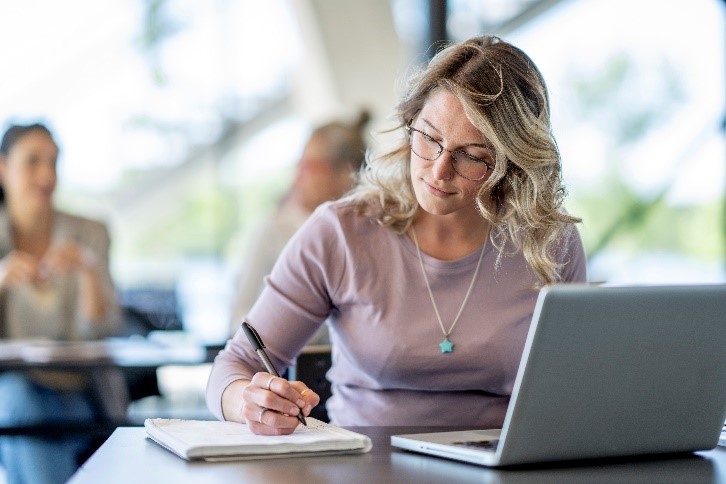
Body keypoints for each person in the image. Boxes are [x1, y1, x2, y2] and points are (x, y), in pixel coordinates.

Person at [206, 35, 587, 435]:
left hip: (502, 467)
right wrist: (249, 401)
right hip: (364, 467)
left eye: (471, 155)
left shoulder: (550, 243)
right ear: (410, 126)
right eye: (429, 138)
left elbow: (574, 388)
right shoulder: (340, 232)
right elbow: (232, 368)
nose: (439, 171)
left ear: (512, 162)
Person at [0, 123, 124, 484]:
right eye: (33, 162)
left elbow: (102, 333)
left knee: (19, 418)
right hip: (13, 392)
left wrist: (89, 272)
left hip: (78, 394)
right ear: (3, 167)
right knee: (18, 402)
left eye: (54, 162)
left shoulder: (89, 235)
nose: (47, 175)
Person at [229, 111, 370, 337]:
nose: (298, 174)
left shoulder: (372, 232)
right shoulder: (272, 229)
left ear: (346, 173)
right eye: (299, 164)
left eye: (310, 166)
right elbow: (239, 316)